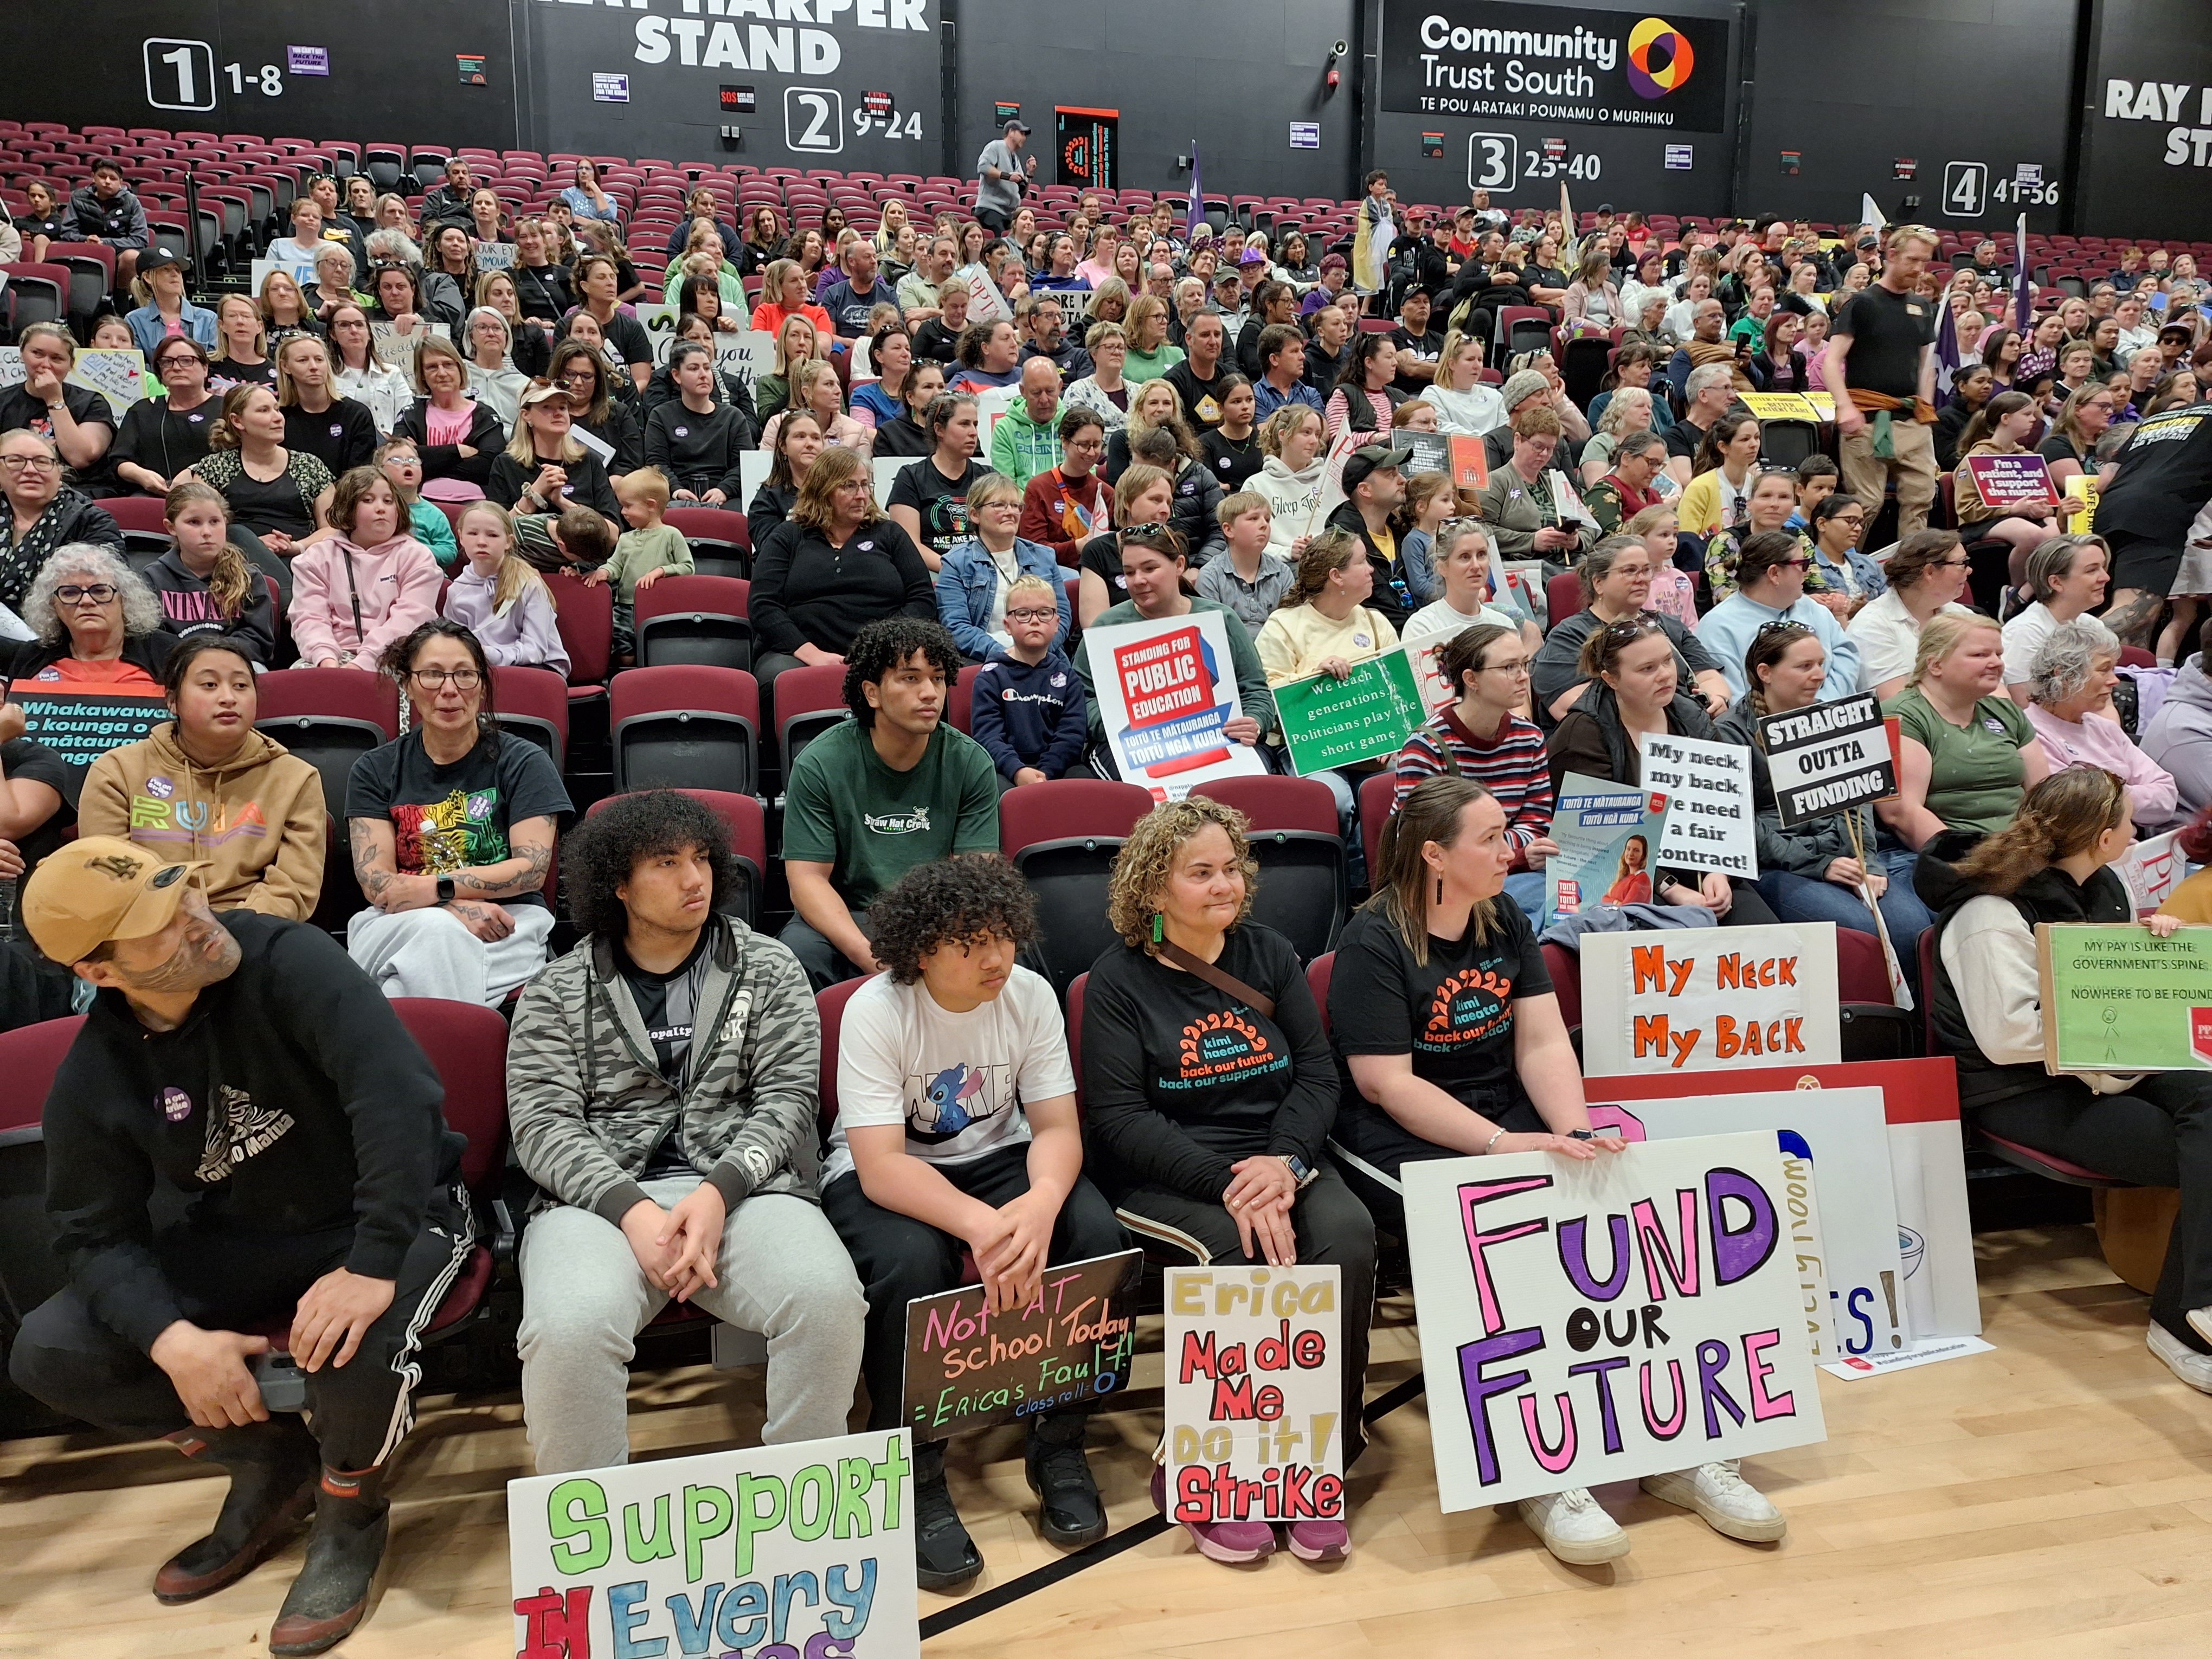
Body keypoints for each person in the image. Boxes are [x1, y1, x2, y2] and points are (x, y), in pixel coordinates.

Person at [6, 835, 472, 1656]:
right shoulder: (96, 1073)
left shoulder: (289, 958)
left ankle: (349, 1510)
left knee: (350, 1342)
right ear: (99, 971)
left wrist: (368, 1265)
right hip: (246, 1235)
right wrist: (172, 1340)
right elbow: (88, 1234)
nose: (198, 919)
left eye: (186, 893)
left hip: (396, 1210)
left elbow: (399, 1103)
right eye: (162, 921)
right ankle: (268, 1464)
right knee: (50, 1349)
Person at [504, 789, 865, 1479]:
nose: (694, 879)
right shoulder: (555, 990)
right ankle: (593, 1536)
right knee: (568, 1331)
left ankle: (803, 1513)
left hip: (747, 1188)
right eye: (666, 863)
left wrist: (718, 1193)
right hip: (599, 1203)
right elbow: (544, 1127)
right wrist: (634, 1211)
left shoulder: (768, 967)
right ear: (618, 884)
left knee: (826, 1301)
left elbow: (788, 1099)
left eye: (700, 858)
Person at [1082, 795, 1372, 1566]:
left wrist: (1285, 1165)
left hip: (1277, 1156)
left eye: (1232, 868)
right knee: (1239, 1259)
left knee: (1347, 1240)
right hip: (1170, 1169)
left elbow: (1316, 1074)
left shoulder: (1270, 952)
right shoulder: (1116, 980)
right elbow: (1118, 1118)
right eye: (1200, 872)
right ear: (1153, 888)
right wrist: (1229, 1185)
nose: (1225, 885)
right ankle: (1206, 1474)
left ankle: (1314, 1466)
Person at [821, 854, 1123, 1587]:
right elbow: (882, 1165)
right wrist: (986, 1229)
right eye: (970, 943)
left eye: (1004, 937)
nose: (997, 957)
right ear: (921, 951)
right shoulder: (877, 1008)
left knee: (1094, 1236)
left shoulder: (1030, 994)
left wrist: (1040, 1205)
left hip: (1000, 1155)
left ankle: (1059, 1439)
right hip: (886, 1170)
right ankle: (914, 1468)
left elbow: (1056, 1129)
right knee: (911, 1265)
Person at [1916, 767, 2212, 1390]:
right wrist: (2116, 1057)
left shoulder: (2109, 887)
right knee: (2202, 1147)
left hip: (2109, 1064)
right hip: (2022, 1089)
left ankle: (2193, 1303)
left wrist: (2156, 952)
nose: (2138, 830)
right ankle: (2184, 1318)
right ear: (2103, 836)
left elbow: (2123, 995)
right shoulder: (1990, 913)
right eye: (2130, 821)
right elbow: (2009, 1039)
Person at [345, 620, 568, 1003]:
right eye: (432, 675)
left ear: (482, 685)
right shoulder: (374, 769)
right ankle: (460, 1054)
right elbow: (375, 881)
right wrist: (452, 909)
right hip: (399, 920)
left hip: (505, 926)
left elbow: (531, 870)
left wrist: (439, 889)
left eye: (464, 675)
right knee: (436, 933)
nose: (449, 690)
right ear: (407, 684)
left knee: (401, 985)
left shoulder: (525, 761)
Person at [779, 618, 999, 989]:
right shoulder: (820, 763)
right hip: (851, 910)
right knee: (798, 954)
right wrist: (869, 956)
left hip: (936, 915)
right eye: (910, 678)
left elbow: (973, 881)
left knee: (1008, 949)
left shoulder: (971, 762)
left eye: (939, 678)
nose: (930, 692)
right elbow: (807, 880)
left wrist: (938, 946)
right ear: (872, 693)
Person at [1718, 622, 1933, 961]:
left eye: (1821, 664)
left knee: (1911, 926)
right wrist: (1819, 865)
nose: (1818, 675)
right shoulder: (1728, 734)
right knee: (1859, 929)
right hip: (1777, 866)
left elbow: (1858, 799)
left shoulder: (1833, 719)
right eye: (1804, 666)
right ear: (1765, 672)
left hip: (1844, 855)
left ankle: (1915, 1016)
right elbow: (1737, 823)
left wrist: (1868, 861)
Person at [1547, 615, 1779, 925]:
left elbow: (1724, 805)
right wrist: (1672, 890)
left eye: (1668, 661)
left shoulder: (1690, 714)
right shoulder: (1583, 732)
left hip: (1699, 864)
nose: (1665, 676)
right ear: (1610, 678)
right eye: (1647, 669)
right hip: (1619, 878)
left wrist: (1718, 870)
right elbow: (1598, 840)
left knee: (1767, 943)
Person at [79, 637, 325, 917]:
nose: (229, 697)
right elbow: (110, 875)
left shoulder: (296, 778)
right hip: (148, 925)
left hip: (255, 928)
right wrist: (180, 925)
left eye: (241, 686)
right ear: (173, 701)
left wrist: (231, 933)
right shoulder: (117, 771)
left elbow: (293, 887)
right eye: (209, 685)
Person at [1389, 627, 1555, 918]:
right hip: (1445, 883)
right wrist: (1512, 856)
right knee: (1527, 913)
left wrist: (1497, 852)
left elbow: (1537, 823)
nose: (1523, 676)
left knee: (1568, 904)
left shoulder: (1529, 737)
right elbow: (1423, 843)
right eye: (1509, 667)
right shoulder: (1426, 745)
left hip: (1509, 873)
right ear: (1471, 679)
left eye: (1525, 664)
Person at [1880, 611, 2050, 849]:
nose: (1996, 663)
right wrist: (1978, 860)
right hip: (1950, 857)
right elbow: (1902, 814)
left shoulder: (2007, 712)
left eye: (1998, 654)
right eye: (1980, 655)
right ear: (1936, 664)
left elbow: (2044, 796)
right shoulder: (1899, 716)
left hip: (2022, 850)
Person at [1823, 226, 1940, 545]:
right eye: (1913, 260)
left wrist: (1925, 409)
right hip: (1866, 420)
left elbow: (1926, 364)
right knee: (1866, 505)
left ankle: (1912, 572)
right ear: (1891, 256)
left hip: (1912, 420)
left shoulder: (1923, 307)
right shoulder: (1862, 303)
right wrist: (1845, 407)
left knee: (1921, 498)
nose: (1919, 269)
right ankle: (1844, 567)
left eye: (1925, 262)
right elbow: (1831, 361)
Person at [2023, 616, 2180, 829]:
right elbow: (2074, 811)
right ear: (2065, 675)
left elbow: (2167, 797)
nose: (2115, 680)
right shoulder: (2031, 733)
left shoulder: (2104, 728)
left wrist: (2109, 795)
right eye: (2104, 670)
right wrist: (2128, 792)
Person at [289, 466, 443, 673]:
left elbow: (410, 619)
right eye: (368, 500)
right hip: (330, 658)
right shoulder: (315, 558)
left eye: (388, 501)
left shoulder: (417, 556)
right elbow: (309, 618)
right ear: (347, 508)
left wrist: (363, 663)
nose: (381, 508)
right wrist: (326, 660)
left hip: (395, 657)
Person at [2091, 388, 2212, 648]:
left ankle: (2137, 681)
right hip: (2158, 515)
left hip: (2110, 509)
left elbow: (2104, 481)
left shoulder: (2155, 420)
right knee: (2134, 610)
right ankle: (2055, 648)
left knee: (2143, 621)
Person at [1697, 531, 1863, 703]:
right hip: (1762, 725)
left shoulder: (1812, 607)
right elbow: (1732, 699)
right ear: (1774, 573)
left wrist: (1821, 704)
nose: (1807, 574)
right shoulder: (1717, 627)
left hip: (1833, 716)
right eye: (1803, 565)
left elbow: (1846, 655)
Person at [141, 481, 279, 665]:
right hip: (177, 669)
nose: (207, 532)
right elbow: (151, 640)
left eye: (215, 522)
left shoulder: (249, 577)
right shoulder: (153, 578)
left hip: (236, 665)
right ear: (171, 527)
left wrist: (215, 659)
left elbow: (258, 640)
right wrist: (195, 662)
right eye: (194, 522)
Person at [970, 573, 1086, 786]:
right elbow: (988, 736)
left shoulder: (1068, 677)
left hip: (1055, 768)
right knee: (993, 787)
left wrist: (1046, 772)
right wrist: (1017, 770)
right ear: (1007, 625)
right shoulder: (991, 676)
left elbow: (1071, 736)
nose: (1034, 620)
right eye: (1023, 614)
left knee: (1085, 781)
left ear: (1057, 623)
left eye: (1044, 613)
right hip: (1006, 769)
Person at [935, 472, 1066, 658]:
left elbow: (1062, 617)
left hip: (1043, 654)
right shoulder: (955, 563)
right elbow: (957, 628)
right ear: (974, 514)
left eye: (1015, 506)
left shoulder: (1044, 556)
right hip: (985, 659)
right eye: (999, 505)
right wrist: (1005, 654)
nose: (1011, 512)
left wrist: (1037, 650)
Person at [1848, 529, 1977, 700]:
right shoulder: (1871, 626)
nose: (1969, 571)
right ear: (1930, 572)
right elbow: (1897, 704)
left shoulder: (1964, 616)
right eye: (1962, 563)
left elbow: (1997, 690)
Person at [442, 501, 570, 674]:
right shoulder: (456, 591)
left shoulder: (528, 582)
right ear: (461, 537)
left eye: (493, 535)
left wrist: (490, 655)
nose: (481, 542)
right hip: (483, 669)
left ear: (508, 542)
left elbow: (536, 651)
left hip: (536, 668)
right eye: (472, 533)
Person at [0, 432, 121, 609]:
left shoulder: (91, 522)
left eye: (42, 462)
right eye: (15, 461)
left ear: (59, 474)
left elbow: (103, 594)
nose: (30, 470)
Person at [1474, 407, 1596, 578]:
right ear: (1518, 440)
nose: (1545, 454)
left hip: (1570, 562)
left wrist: (1577, 541)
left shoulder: (1556, 481)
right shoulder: (1496, 481)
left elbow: (1590, 524)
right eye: (1538, 446)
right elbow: (1480, 530)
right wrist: (1531, 541)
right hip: (1526, 569)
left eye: (1551, 448)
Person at [0, 323, 118, 495]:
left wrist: (54, 399)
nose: (46, 364)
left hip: (81, 491)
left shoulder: (93, 402)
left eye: (56, 358)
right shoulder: (4, 400)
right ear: (22, 354)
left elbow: (80, 458)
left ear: (71, 364)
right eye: (37, 354)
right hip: (16, 490)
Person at [390, 337, 506, 505]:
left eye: (448, 365)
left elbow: (488, 467)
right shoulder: (411, 415)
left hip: (477, 505)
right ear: (422, 376)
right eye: (432, 367)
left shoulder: (485, 416)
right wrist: (457, 451)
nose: (442, 373)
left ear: (460, 369)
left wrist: (424, 458)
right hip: (418, 503)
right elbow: (398, 462)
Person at [2003, 534, 2112, 702]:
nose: (2105, 577)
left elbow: (2106, 702)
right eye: (2092, 570)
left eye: (2104, 567)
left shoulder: (2093, 626)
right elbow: (2026, 705)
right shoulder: (2025, 632)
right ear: (2056, 583)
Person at [111, 337, 223, 497]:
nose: (176, 367)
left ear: (205, 368)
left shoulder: (226, 409)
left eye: (186, 361)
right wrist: (142, 475)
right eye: (167, 362)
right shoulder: (142, 410)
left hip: (213, 496)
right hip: (153, 494)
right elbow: (120, 461)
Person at [888, 393, 989, 570]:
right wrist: (954, 572)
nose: (973, 432)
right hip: (932, 572)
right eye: (964, 424)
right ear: (939, 429)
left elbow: (1003, 538)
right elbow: (908, 545)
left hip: (983, 571)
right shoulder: (911, 477)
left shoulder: (988, 478)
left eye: (975, 424)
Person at [273, 336, 377, 481]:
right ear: (285, 366)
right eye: (303, 360)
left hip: (343, 499)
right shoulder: (279, 418)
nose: (314, 367)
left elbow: (359, 478)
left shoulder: (356, 415)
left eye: (319, 359)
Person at [1018, 408, 1112, 567]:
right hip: (1051, 572)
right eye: (1083, 445)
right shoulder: (1038, 488)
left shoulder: (1106, 493)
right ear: (1064, 442)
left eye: (1097, 445)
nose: (1091, 453)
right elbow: (1033, 550)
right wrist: (1077, 547)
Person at [1195, 491, 1293, 631]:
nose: (1264, 525)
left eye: (1267, 519)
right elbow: (1212, 633)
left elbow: (1289, 628)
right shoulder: (1210, 576)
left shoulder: (1282, 573)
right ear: (1229, 530)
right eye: (1254, 518)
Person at [124, 246, 216, 355]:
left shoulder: (208, 319)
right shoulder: (134, 321)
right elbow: (140, 366)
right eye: (166, 269)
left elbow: (214, 363)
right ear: (148, 277)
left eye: (177, 270)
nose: (175, 274)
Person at [988, 358, 1063, 487]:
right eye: (1036, 393)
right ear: (1023, 391)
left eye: (1050, 391)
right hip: (1023, 505)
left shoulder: (1074, 424)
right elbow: (1006, 486)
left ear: (1060, 387)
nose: (1044, 400)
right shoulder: (1005, 429)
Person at [974, 118, 1036, 236]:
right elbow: (983, 167)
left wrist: (1029, 174)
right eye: (1021, 133)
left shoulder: (1015, 158)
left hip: (1008, 213)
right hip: (991, 209)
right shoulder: (996, 146)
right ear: (1011, 132)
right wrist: (1007, 176)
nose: (1024, 138)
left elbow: (1022, 192)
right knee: (1003, 244)